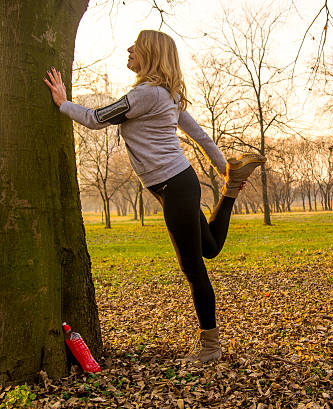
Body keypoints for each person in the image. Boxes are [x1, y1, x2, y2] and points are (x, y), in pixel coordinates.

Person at [44, 30, 265, 363]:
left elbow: (94, 119)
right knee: (209, 249)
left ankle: (211, 347)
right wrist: (225, 169)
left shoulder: (146, 95)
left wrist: (63, 103)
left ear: (151, 54)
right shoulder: (168, 94)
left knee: (194, 266)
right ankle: (230, 189)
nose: (130, 49)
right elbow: (200, 136)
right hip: (178, 183)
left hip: (174, 185)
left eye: (137, 46)